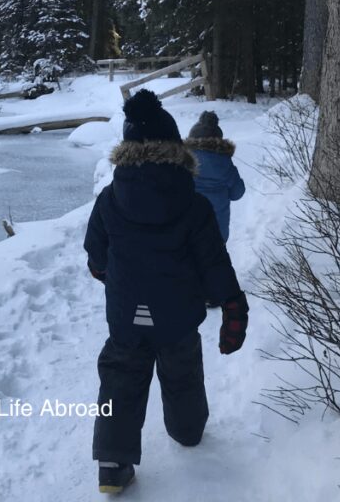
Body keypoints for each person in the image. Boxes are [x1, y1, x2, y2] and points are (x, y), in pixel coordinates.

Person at [84, 89, 248, 495]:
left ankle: (112, 463)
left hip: (126, 313)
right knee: (183, 375)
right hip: (176, 316)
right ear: (176, 149)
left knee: (121, 379)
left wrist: (104, 271)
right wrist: (232, 305)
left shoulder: (109, 198)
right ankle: (187, 431)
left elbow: (94, 250)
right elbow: (214, 263)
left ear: (126, 150)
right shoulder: (193, 206)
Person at [184, 111, 246, 243]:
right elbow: (237, 193)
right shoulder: (225, 162)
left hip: (188, 229)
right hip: (217, 232)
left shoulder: (184, 161)